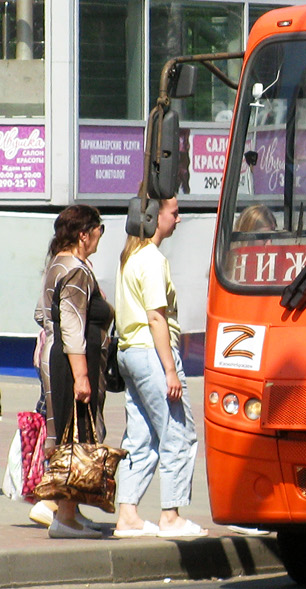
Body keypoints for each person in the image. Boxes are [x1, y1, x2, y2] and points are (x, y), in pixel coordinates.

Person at [112, 196, 207, 539]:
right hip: (152, 354)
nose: (178, 220)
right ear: (153, 219)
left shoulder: (129, 258)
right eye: (174, 214)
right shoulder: (151, 260)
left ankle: (128, 514)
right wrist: (170, 369)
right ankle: (171, 516)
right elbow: (156, 317)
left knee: (140, 436)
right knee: (177, 433)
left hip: (131, 354)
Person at [31, 204, 112, 539]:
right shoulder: (76, 268)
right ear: (84, 234)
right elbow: (73, 325)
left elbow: (42, 314)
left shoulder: (58, 264)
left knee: (70, 431)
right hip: (71, 362)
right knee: (74, 435)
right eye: (97, 232)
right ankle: (64, 517)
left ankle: (72, 513)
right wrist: (81, 375)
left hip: (60, 358)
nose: (98, 239)